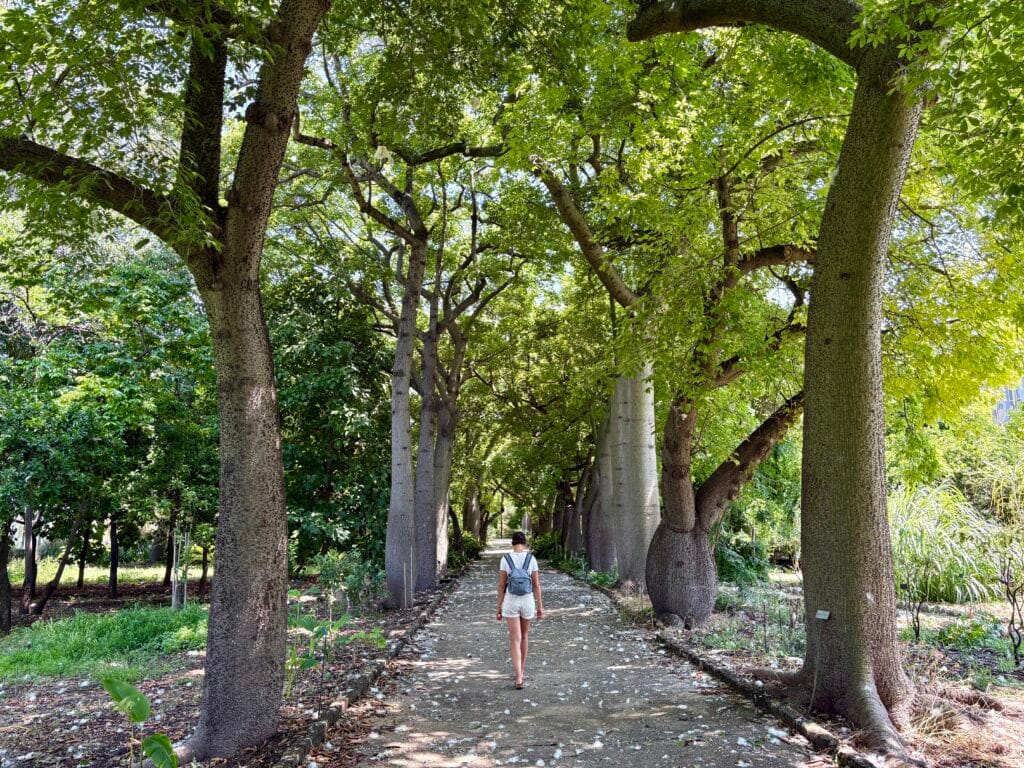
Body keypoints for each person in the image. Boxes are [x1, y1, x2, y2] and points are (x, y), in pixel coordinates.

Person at [496, 531, 543, 689]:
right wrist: (540, 607)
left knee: (514, 639)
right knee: (524, 636)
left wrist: (498, 607)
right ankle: (521, 670)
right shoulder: (531, 559)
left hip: (511, 602)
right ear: (525, 543)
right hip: (527, 601)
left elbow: (502, 585)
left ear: (512, 542)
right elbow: (536, 585)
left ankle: (518, 677)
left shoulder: (505, 559)